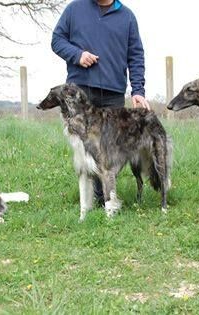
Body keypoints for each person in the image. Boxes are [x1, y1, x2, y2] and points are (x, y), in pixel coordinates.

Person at [51, 0, 150, 206]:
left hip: (113, 92)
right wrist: (77, 55)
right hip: (81, 91)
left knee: (110, 149)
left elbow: (136, 55)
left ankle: (108, 196)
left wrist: (138, 90)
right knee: (86, 149)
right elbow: (57, 40)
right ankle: (95, 198)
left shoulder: (127, 17)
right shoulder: (74, 9)